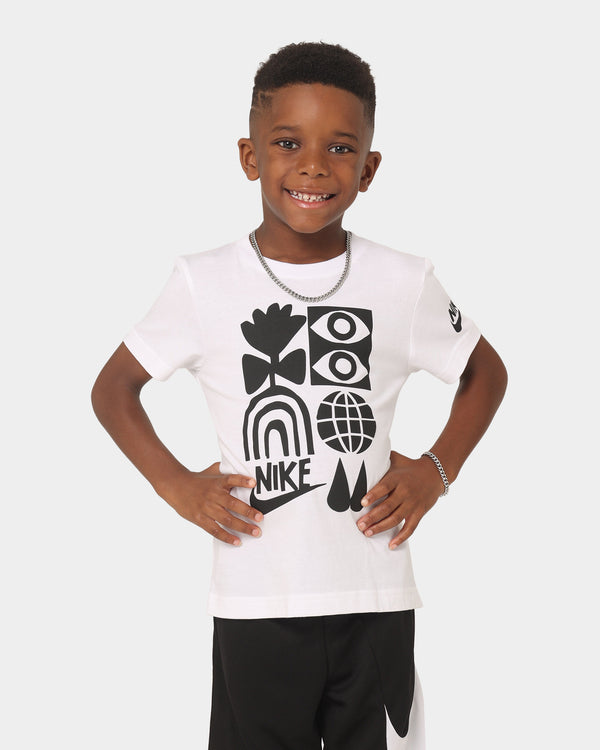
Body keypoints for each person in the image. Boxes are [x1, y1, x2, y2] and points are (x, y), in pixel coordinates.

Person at [92, 41, 507, 750]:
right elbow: (114, 389)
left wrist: (436, 471)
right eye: (288, 143)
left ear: (368, 168)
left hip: (374, 597)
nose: (314, 165)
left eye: (340, 148)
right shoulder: (201, 281)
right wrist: (177, 486)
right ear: (250, 156)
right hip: (255, 599)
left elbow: (485, 373)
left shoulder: (403, 281)